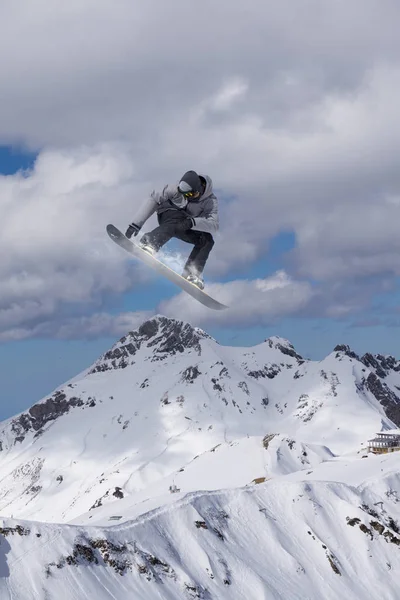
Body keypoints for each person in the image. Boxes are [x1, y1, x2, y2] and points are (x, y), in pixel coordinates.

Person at [125, 170, 218, 290]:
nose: (187, 198)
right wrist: (136, 224)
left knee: (207, 240)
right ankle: (151, 242)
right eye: (184, 195)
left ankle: (192, 273)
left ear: (200, 189)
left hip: (187, 223)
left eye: (191, 195)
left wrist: (193, 222)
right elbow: (153, 199)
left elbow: (214, 224)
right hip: (168, 214)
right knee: (175, 220)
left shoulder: (210, 201)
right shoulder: (173, 188)